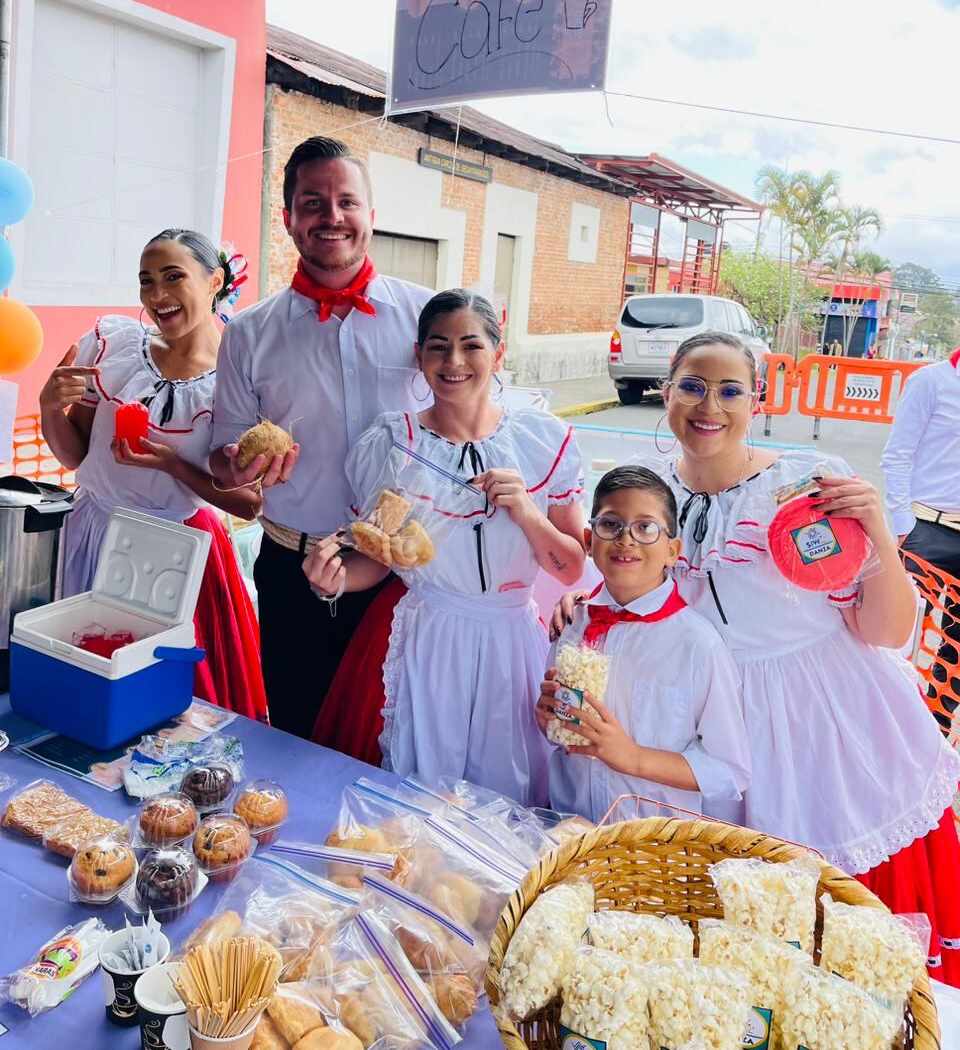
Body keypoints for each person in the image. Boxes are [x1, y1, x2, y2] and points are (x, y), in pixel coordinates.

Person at [553, 331, 960, 984]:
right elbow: (632, 581)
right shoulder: (645, 488)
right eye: (692, 385)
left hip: (815, 724)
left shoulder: (809, 483)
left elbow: (886, 631)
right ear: (666, 392)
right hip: (697, 721)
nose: (708, 404)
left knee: (825, 944)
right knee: (718, 943)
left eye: (730, 390)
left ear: (758, 400)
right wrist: (586, 599)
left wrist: (880, 530)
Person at [304, 289, 586, 805]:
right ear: (419, 357)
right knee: (415, 797)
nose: (454, 362)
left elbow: (569, 568)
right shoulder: (392, 444)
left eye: (471, 346)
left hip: (510, 645)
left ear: (498, 354)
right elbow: (379, 560)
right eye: (438, 347)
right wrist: (336, 579)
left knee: (506, 795)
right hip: (425, 638)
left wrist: (525, 510)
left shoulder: (544, 440)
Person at [209, 137, 433, 739]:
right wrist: (239, 465)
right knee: (298, 731)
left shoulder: (428, 320)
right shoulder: (249, 333)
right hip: (290, 565)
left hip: (405, 573)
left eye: (346, 201)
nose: (331, 217)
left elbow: (477, 425)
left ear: (371, 216)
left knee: (398, 739)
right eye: (313, 202)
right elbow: (224, 453)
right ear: (288, 219)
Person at [39, 229, 267, 721]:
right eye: (146, 281)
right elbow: (75, 456)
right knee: (91, 684)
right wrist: (49, 410)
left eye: (172, 277)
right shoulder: (114, 348)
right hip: (95, 531)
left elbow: (251, 503)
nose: (156, 296)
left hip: (175, 554)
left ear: (215, 282)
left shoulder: (237, 380)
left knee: (169, 705)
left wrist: (171, 464)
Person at [536, 465, 750, 824]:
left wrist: (631, 756)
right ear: (589, 542)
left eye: (646, 527)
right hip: (571, 825)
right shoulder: (574, 625)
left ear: (672, 550)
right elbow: (561, 729)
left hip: (653, 847)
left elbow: (729, 771)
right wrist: (549, 719)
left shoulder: (697, 645)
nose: (626, 539)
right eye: (610, 524)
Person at [882, 346, 960, 731]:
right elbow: (897, 455)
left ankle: (938, 730)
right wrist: (904, 525)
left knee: (956, 650)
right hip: (927, 531)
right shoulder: (932, 382)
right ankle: (895, 730)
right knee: (904, 642)